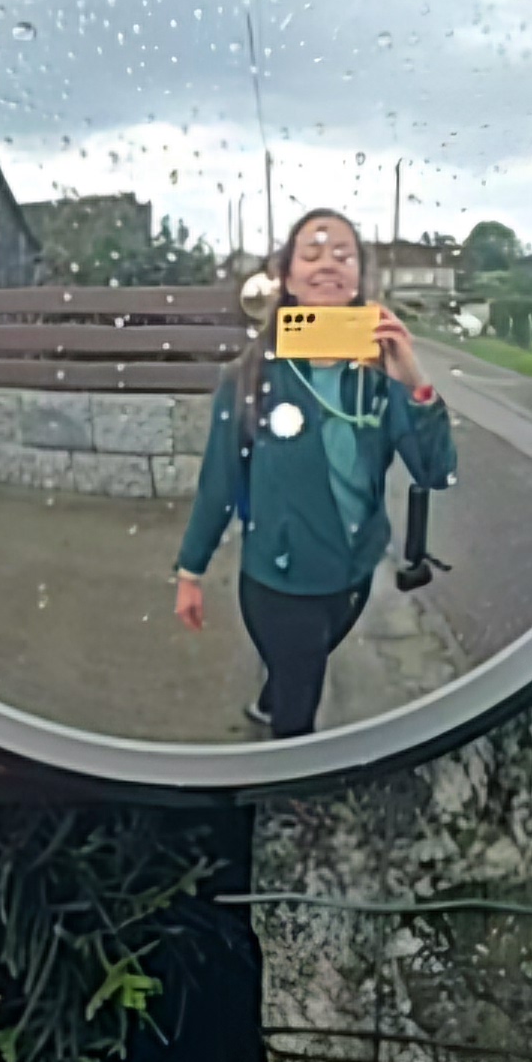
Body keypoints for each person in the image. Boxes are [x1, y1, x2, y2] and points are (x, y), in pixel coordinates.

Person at [171, 207, 456, 737]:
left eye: (343, 254)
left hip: (354, 574)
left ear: (359, 278)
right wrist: (191, 570)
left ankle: (273, 694)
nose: (328, 263)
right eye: (312, 253)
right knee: (300, 702)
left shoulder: (380, 374)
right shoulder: (249, 376)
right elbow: (219, 482)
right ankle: (288, 761)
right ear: (287, 277)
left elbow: (435, 471)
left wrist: (412, 379)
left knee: (300, 665)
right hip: (281, 582)